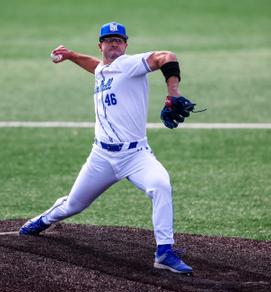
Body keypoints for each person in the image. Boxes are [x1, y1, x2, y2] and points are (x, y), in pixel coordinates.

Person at [20, 21, 194, 275]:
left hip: (136, 155)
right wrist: (70, 56)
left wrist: (173, 93)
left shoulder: (129, 64)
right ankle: (43, 220)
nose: (114, 43)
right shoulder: (104, 69)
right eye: (108, 40)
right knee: (74, 205)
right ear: (100, 45)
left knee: (161, 185)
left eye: (119, 40)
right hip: (101, 157)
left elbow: (166, 57)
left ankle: (164, 252)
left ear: (125, 45)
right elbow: (96, 66)